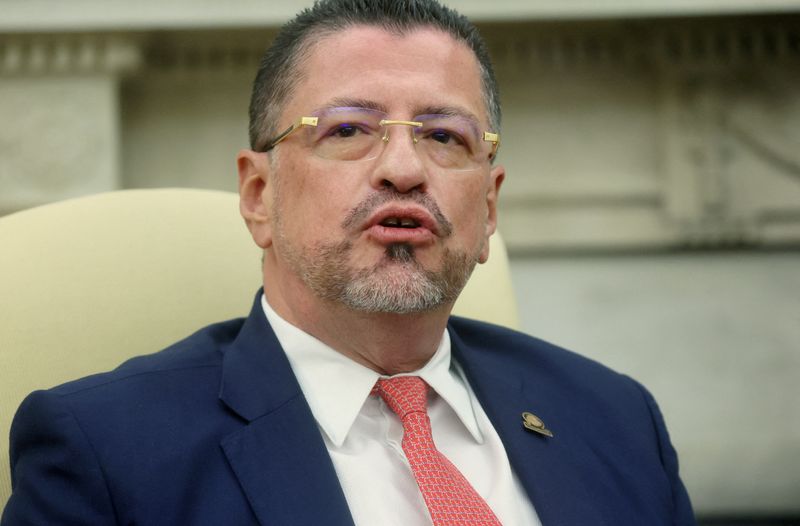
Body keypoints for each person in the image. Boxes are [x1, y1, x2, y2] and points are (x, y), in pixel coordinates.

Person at [1, 1, 695, 524]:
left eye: (444, 136)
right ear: (258, 196)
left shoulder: (616, 420)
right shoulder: (105, 453)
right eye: (347, 130)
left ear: (489, 207)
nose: (402, 169)